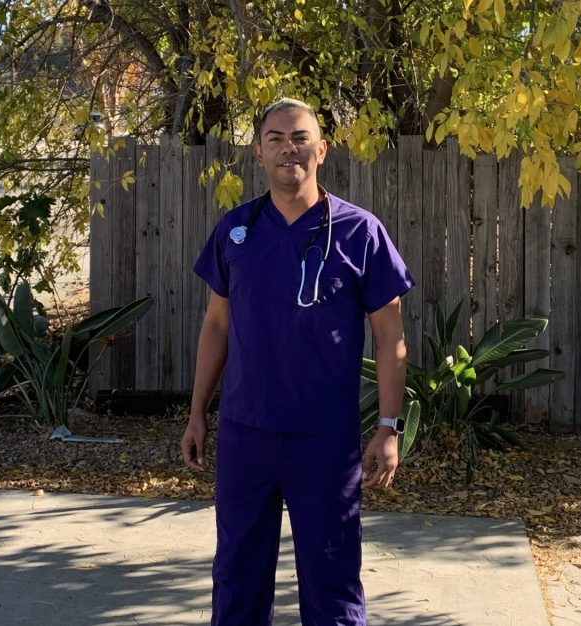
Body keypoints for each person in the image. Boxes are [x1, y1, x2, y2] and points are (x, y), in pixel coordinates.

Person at [181, 97, 414, 626]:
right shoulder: (235, 231)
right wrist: (198, 413)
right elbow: (216, 326)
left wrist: (388, 426)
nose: (289, 148)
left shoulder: (361, 233)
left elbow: (390, 339)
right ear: (258, 153)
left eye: (301, 137)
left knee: (332, 584)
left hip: (324, 441)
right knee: (237, 577)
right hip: (246, 433)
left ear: (322, 150)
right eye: (276, 139)